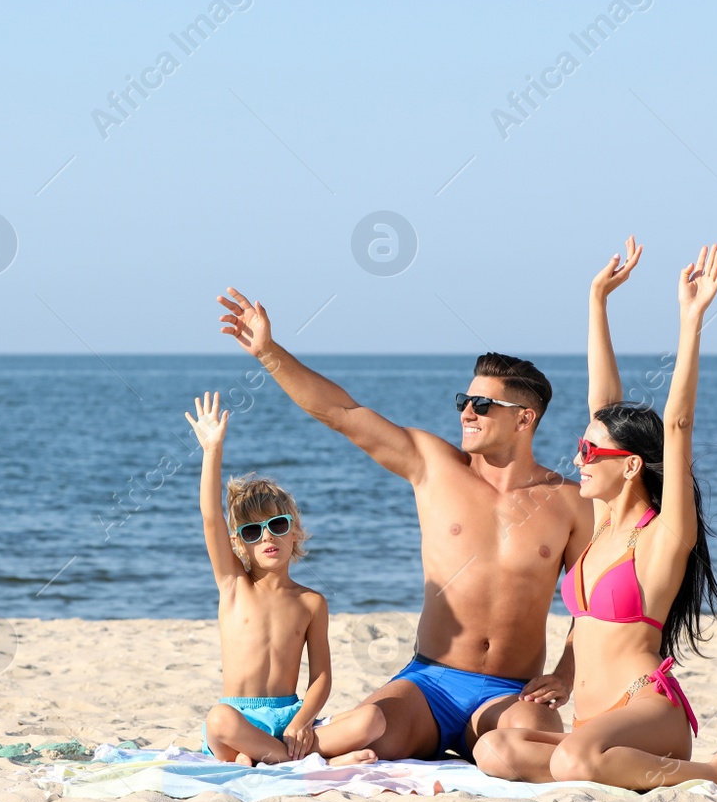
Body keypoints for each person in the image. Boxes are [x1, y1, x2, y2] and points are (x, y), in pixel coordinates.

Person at [216, 289, 594, 764]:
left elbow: (593, 605)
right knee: (368, 735)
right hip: (429, 684)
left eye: (483, 404)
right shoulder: (433, 466)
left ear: (524, 418)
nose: (467, 412)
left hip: (510, 692)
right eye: (465, 400)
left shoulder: (569, 503)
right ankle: (271, 752)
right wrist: (269, 353)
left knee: (527, 743)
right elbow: (343, 414)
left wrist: (565, 673)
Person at [473, 239, 717, 788]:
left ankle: (714, 771)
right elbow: (602, 404)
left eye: (593, 452)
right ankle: (598, 761)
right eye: (582, 444)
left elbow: (677, 425)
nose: (578, 457)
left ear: (630, 467)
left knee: (574, 761)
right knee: (495, 750)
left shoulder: (666, 534)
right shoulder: (600, 527)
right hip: (591, 721)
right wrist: (597, 301)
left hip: (647, 710)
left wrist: (690, 320)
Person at [184, 390, 331, 764]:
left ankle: (266, 755)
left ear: (294, 531)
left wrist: (302, 721)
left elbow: (321, 678)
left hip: (289, 717)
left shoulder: (311, 602)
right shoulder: (233, 586)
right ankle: (289, 759)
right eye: (252, 531)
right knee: (218, 719)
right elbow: (210, 517)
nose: (266, 536)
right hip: (238, 718)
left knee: (369, 723)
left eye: (277, 525)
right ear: (238, 543)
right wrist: (211, 450)